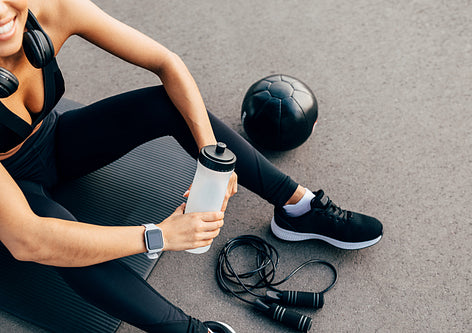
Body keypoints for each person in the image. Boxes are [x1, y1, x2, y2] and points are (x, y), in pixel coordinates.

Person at [0, 1, 383, 332]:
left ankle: (296, 207)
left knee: (165, 103)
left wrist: (213, 158)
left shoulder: (48, 8)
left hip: (54, 140)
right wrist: (160, 235)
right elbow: (28, 239)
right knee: (61, 241)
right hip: (12, 194)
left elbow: (166, 63)